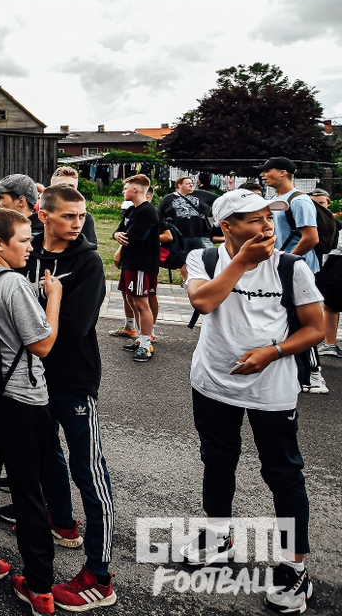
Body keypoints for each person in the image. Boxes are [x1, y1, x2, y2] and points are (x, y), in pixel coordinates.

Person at [179, 189, 322, 613]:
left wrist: (272, 352)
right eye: (254, 220)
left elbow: (315, 328)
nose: (267, 227)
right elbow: (203, 302)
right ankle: (218, 535)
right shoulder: (204, 259)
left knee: (283, 473)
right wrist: (242, 262)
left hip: (271, 389)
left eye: (269, 217)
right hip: (213, 382)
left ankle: (294, 568)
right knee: (218, 460)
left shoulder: (291, 267)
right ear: (227, 228)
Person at [0, 208, 62, 616]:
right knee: (28, 492)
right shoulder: (14, 283)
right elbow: (42, 345)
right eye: (24, 240)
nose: (31, 246)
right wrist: (52, 299)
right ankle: (39, 588)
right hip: (21, 399)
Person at [25, 186, 117, 610]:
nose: (78, 223)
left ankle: (100, 575)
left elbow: (77, 325)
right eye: (68, 216)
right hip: (29, 378)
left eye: (81, 216)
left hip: (73, 379)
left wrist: (39, 319)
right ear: (44, 216)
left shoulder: (87, 261)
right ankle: (63, 523)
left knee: (90, 473)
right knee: (46, 456)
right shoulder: (26, 252)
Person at [113, 175, 161, 362]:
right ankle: (141, 339)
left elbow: (129, 237)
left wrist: (120, 236)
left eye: (126, 188)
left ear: (136, 190)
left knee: (142, 304)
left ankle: (146, 344)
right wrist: (117, 234)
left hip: (142, 264)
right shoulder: (131, 210)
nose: (124, 191)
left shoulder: (147, 212)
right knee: (132, 302)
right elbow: (118, 232)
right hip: (130, 262)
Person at [260, 157, 321, 275]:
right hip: (281, 265)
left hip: (301, 268)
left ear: (282, 173)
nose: (262, 174)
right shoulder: (274, 199)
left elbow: (311, 238)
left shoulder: (299, 201)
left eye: (267, 170)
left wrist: (288, 261)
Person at [310, 189, 342, 363]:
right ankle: (325, 343)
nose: (317, 207)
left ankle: (329, 343)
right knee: (326, 306)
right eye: (313, 203)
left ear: (328, 203)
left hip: (334, 267)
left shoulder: (337, 225)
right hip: (315, 267)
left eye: (321, 203)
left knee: (332, 305)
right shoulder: (305, 224)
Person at [158, 176, 217, 256]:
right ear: (179, 185)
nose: (191, 185)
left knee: (208, 259)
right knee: (184, 262)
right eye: (187, 183)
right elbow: (159, 215)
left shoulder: (203, 194)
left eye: (191, 183)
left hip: (202, 235)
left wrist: (215, 213)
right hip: (181, 237)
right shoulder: (168, 198)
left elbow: (221, 200)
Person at [49, 167, 97, 247]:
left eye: (71, 187)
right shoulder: (40, 215)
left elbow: (90, 248)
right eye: (62, 186)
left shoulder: (84, 219)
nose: (67, 190)